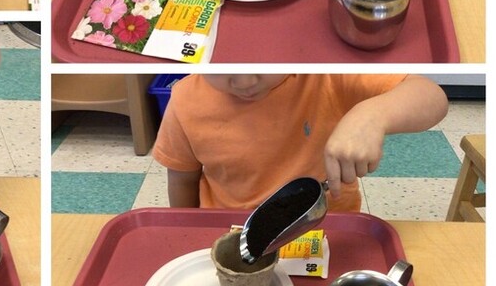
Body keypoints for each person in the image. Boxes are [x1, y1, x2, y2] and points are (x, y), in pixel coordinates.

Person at [152, 74, 448, 212]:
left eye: (262, 60)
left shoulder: (325, 75)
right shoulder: (185, 99)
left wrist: (373, 114)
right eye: (223, 67)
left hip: (325, 229)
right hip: (229, 229)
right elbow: (182, 179)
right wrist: (186, 233)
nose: (244, 82)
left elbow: (431, 96)